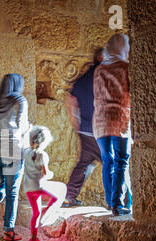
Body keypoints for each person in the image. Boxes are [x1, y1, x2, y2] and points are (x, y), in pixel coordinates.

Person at [0, 74, 30, 241]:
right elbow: (22, 126)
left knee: (6, 184)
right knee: (12, 191)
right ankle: (9, 231)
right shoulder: (19, 101)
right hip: (13, 149)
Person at [93, 33, 132, 216]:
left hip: (99, 120)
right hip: (119, 119)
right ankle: (118, 205)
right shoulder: (125, 67)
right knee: (121, 162)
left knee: (107, 161)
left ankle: (110, 202)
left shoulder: (99, 70)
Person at [62, 48, 104, 207]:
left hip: (85, 129)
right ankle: (119, 203)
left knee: (84, 163)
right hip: (102, 130)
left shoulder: (82, 79)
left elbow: (70, 101)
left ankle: (69, 196)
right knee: (114, 165)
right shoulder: (106, 77)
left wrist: (76, 124)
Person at [23, 125, 67, 241]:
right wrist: (52, 174)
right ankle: (48, 211)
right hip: (40, 186)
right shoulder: (42, 155)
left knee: (35, 213)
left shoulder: (26, 152)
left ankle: (33, 239)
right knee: (61, 190)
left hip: (28, 188)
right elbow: (46, 173)